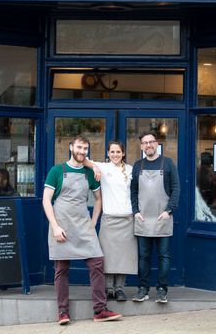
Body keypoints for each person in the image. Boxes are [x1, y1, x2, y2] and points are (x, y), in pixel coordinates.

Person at [42, 135, 121, 325]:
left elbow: (99, 200)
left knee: (97, 263)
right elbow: (46, 200)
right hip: (62, 226)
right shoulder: (57, 171)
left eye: (85, 149)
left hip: (83, 225)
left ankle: (100, 310)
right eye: (79, 147)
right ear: (71, 147)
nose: (82, 151)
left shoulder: (90, 172)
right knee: (61, 269)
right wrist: (55, 226)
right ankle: (62, 312)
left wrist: (93, 224)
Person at [131, 131, 180, 304]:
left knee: (163, 256)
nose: (148, 145)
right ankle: (143, 289)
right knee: (143, 257)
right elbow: (134, 191)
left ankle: (162, 290)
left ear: (156, 143)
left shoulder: (167, 163)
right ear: (141, 146)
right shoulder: (138, 165)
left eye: (151, 142)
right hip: (143, 218)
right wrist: (136, 211)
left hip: (162, 217)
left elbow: (176, 188)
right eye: (144, 143)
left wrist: (169, 210)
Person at [85, 141, 137, 302]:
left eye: (118, 152)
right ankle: (109, 289)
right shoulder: (104, 167)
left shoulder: (130, 170)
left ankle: (120, 289)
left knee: (123, 256)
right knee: (106, 256)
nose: (115, 155)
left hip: (127, 219)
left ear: (123, 153)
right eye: (112, 152)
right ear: (108, 153)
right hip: (108, 219)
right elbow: (84, 159)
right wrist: (94, 168)